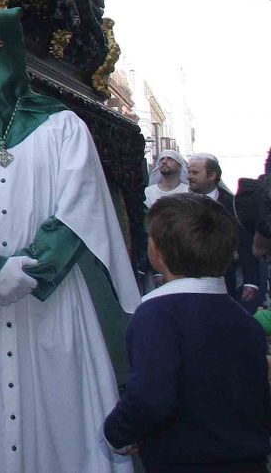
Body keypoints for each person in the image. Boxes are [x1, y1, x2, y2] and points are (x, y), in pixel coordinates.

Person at [0, 8, 142, 472]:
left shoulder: (62, 126)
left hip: (53, 306)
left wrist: (31, 269)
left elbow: (81, 207)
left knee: (61, 415)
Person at [103, 192, 271, 472]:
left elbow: (149, 395)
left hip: (183, 461)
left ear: (157, 252)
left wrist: (117, 433)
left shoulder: (156, 315)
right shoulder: (245, 321)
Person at [186, 153, 264, 310]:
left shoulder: (232, 205)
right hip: (188, 280)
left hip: (226, 281)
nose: (189, 177)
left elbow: (245, 244)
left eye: (195, 173)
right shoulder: (179, 205)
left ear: (212, 175)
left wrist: (250, 280)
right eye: (189, 172)